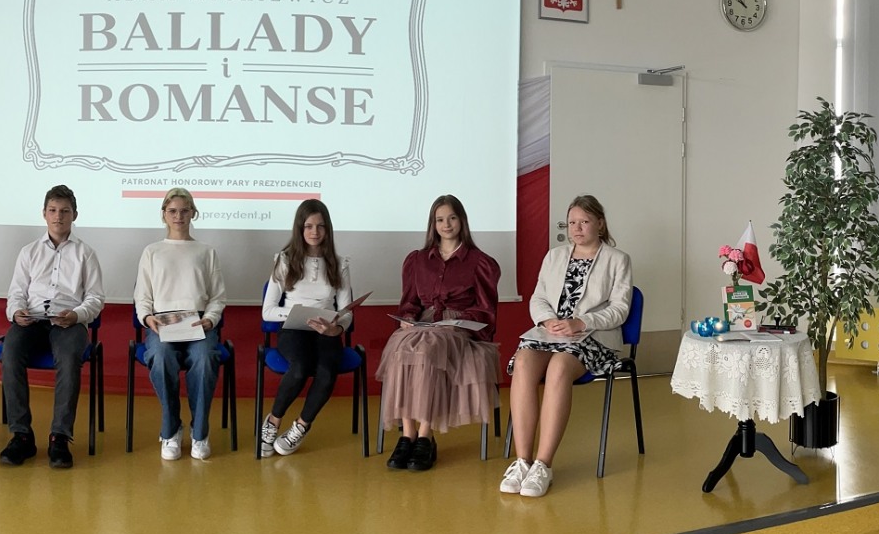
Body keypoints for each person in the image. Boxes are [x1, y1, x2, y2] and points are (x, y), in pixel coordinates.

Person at [500, 194, 632, 498]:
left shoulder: (618, 259)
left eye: (584, 221)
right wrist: (547, 321)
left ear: (600, 224)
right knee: (523, 361)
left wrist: (581, 322)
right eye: (572, 222)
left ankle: (543, 465)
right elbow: (538, 298)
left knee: (559, 366)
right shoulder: (554, 256)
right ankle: (522, 461)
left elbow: (620, 309)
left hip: (593, 337)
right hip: (549, 334)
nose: (577, 228)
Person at [376, 194, 501, 472]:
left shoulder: (480, 262)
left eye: (452, 218)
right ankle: (408, 435)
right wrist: (408, 319)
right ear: (433, 224)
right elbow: (409, 302)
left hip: (457, 327)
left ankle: (425, 435)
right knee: (400, 347)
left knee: (428, 350)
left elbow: (485, 309)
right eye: (440, 219)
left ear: (462, 221)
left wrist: (457, 322)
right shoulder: (418, 260)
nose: (446, 224)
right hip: (423, 324)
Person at [0, 185, 104, 469]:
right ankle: (22, 435)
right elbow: (16, 292)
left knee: (69, 359)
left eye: (65, 211)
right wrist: (16, 312)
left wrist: (77, 315)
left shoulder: (86, 254)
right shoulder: (29, 252)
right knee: (10, 353)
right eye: (53, 210)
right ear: (44, 214)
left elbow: (95, 298)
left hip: (68, 322)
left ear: (74, 215)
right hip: (31, 320)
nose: (59, 216)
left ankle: (60, 437)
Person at [133, 187, 227, 461]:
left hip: (198, 322)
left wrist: (210, 319)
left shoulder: (206, 251)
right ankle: (171, 429)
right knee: (160, 356)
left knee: (205, 358)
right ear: (164, 214)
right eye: (172, 211)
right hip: (162, 322)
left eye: (185, 211)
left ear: (193, 213)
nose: (178, 216)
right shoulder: (152, 251)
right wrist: (147, 318)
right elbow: (143, 296)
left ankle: (200, 432)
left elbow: (217, 297)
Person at [259, 199, 354, 458]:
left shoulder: (339, 263)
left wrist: (337, 329)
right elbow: (268, 311)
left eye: (320, 226)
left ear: (328, 229)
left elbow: (346, 311)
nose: (315, 232)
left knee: (327, 371)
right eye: (309, 226)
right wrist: (296, 313)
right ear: (300, 228)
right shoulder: (285, 260)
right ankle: (273, 421)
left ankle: (301, 426)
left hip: (326, 331)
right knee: (300, 367)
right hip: (294, 328)